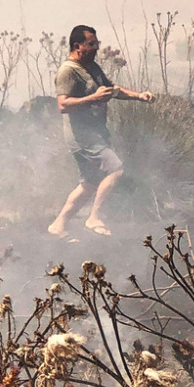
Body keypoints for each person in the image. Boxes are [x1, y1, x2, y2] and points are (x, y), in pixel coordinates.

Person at [47, 25, 154, 239]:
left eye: (97, 43)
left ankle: (58, 225)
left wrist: (139, 96)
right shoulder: (68, 71)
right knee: (115, 169)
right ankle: (94, 217)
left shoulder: (92, 67)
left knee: (89, 183)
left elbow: (113, 90)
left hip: (95, 133)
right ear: (78, 46)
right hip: (81, 136)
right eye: (92, 44)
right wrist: (92, 99)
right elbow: (63, 105)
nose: (96, 48)